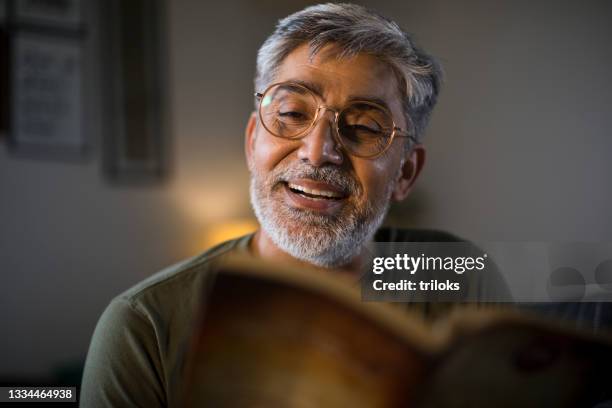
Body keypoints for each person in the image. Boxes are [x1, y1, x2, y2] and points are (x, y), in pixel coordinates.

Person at [80, 3, 505, 406]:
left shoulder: (458, 275)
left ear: (406, 174)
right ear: (252, 142)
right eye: (292, 113)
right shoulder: (145, 326)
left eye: (362, 126)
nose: (318, 152)